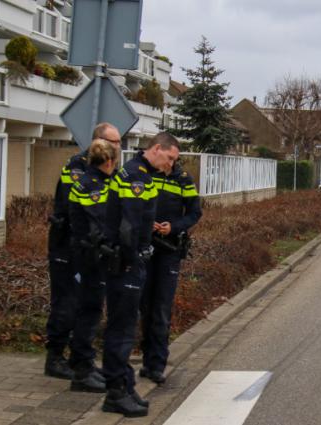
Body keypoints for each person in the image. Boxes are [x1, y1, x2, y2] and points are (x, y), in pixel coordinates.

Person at [102, 132, 179, 417]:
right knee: (121, 329)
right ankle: (115, 391)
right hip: (126, 264)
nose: (170, 165)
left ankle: (124, 383)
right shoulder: (136, 176)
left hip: (130, 262)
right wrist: (136, 256)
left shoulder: (140, 173)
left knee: (126, 327)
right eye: (169, 157)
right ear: (157, 149)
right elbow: (129, 227)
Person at [44, 123, 121, 379]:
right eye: (115, 142)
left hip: (89, 251)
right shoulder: (77, 169)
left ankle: (80, 358)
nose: (119, 147)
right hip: (67, 246)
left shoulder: (107, 171)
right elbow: (83, 213)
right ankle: (54, 357)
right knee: (66, 303)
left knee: (88, 304)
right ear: (98, 140)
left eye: (120, 142)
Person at [139, 159, 202, 384]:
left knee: (162, 307)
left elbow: (195, 212)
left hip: (169, 251)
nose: (168, 163)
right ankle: (146, 359)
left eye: (172, 159)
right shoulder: (144, 174)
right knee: (145, 305)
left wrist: (173, 227)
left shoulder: (183, 179)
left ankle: (157, 364)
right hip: (145, 246)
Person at [67, 139, 119, 394]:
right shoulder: (93, 186)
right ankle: (82, 371)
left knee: (88, 310)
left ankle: (82, 363)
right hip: (90, 257)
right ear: (108, 161)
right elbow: (98, 223)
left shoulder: (87, 181)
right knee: (89, 311)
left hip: (86, 253)